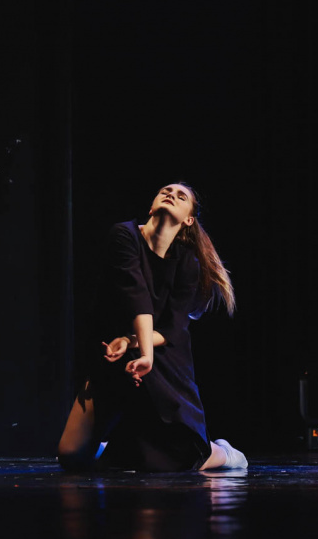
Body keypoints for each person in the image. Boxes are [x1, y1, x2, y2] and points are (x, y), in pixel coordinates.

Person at [57, 183, 247, 472]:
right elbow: (137, 296)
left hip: (163, 360)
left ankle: (225, 453)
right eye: (165, 191)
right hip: (114, 352)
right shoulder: (125, 236)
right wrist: (131, 345)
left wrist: (138, 346)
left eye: (181, 196)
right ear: (151, 206)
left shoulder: (188, 263)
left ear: (189, 220)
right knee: (71, 456)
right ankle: (119, 450)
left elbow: (172, 328)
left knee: (177, 457)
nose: (171, 195)